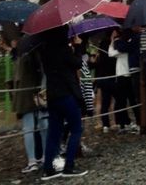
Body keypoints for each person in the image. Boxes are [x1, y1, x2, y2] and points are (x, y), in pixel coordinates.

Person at [39, 25, 88, 180]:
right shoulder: (63, 49)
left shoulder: (45, 51)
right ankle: (69, 166)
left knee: (54, 133)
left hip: (53, 96)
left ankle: (48, 169)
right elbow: (77, 64)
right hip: (67, 94)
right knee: (76, 129)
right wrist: (78, 47)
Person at [13, 42, 48, 173]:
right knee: (42, 124)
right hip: (38, 93)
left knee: (29, 127)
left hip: (25, 94)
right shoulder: (38, 50)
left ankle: (32, 161)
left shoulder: (22, 52)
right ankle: (44, 157)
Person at [108, 29, 138, 133]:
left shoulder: (120, 49)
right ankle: (138, 122)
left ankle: (123, 124)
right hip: (130, 75)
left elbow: (110, 53)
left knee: (121, 101)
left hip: (121, 75)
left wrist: (112, 40)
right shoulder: (130, 46)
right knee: (133, 100)